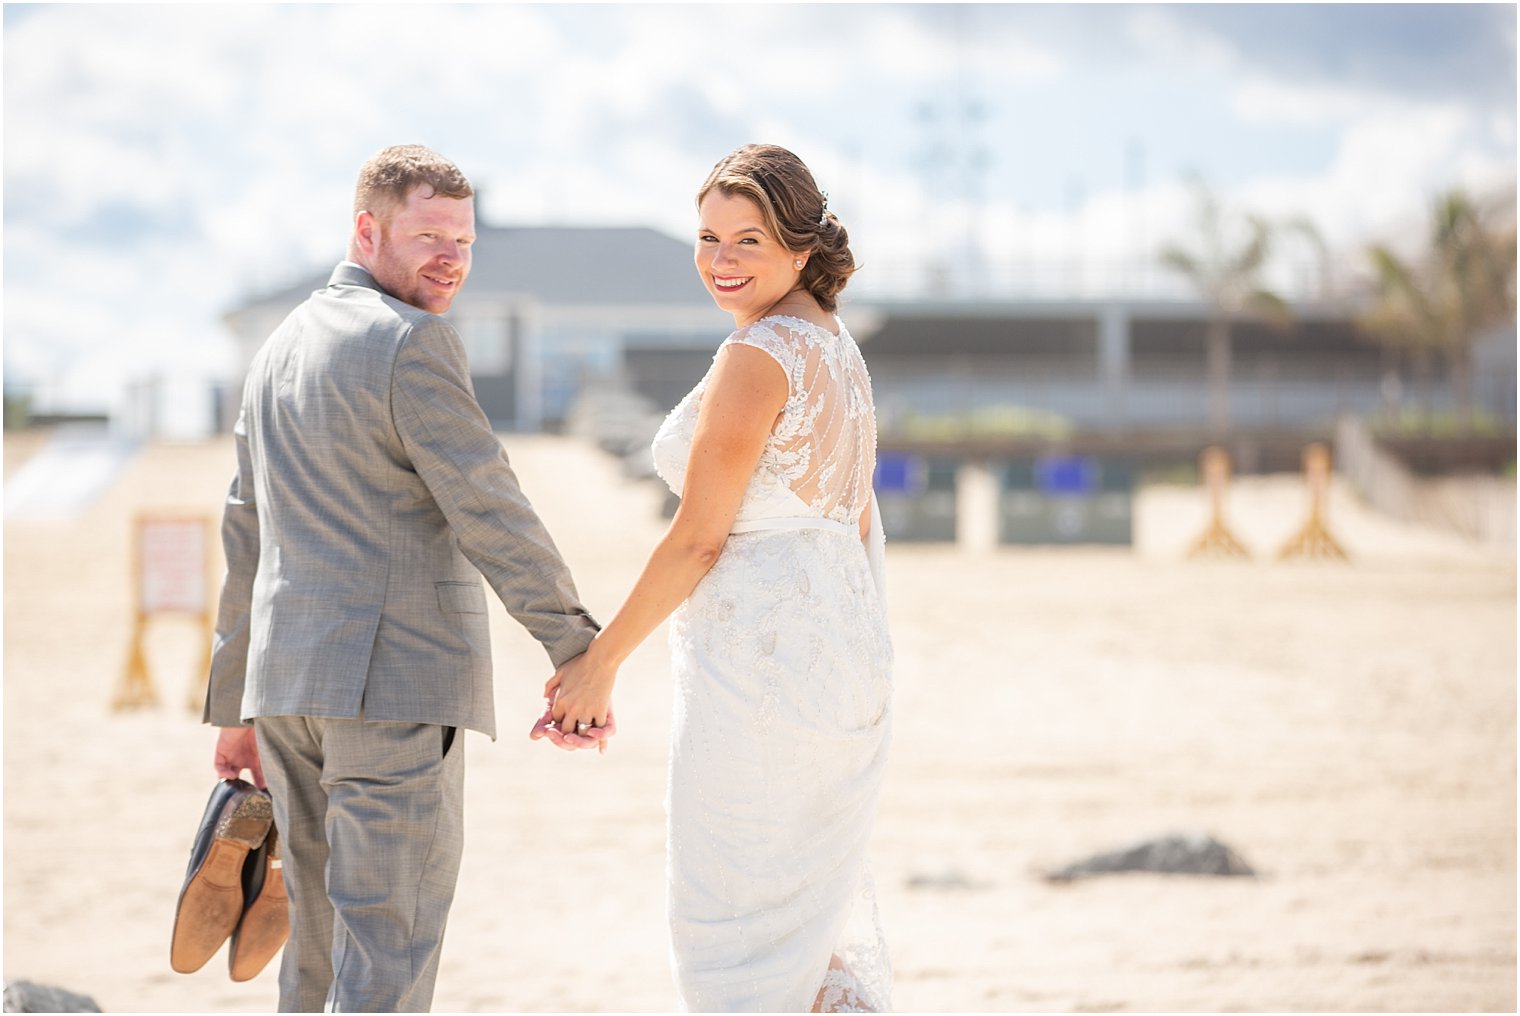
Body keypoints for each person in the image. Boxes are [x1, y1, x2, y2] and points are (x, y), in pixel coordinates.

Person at [205, 144, 607, 1012]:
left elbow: (246, 529)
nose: (450, 259)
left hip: (287, 694)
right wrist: (580, 648)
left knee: (314, 952)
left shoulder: (275, 351)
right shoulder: (412, 344)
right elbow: (489, 507)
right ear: (366, 230)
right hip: (394, 688)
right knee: (387, 950)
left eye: (463, 241)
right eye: (428, 235)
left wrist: (238, 705)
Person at [537, 144, 893, 1012]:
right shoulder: (838, 351)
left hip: (762, 680)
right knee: (804, 929)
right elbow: (855, 523)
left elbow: (699, 539)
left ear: (802, 250)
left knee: (730, 935)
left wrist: (600, 662)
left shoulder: (759, 356)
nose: (721, 262)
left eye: (748, 241)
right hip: (846, 671)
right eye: (707, 238)